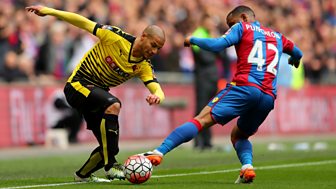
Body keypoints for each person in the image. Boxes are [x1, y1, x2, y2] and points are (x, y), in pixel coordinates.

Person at [141, 5, 303, 184]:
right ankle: (247, 167)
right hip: (267, 97)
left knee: (200, 120)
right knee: (239, 136)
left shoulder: (243, 27)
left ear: (243, 17)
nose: (229, 28)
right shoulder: (277, 36)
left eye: (231, 24)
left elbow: (218, 44)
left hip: (245, 87)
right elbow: (298, 52)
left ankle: (158, 152)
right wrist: (294, 58)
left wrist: (194, 40)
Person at [26, 5, 165, 182]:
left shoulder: (143, 66)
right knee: (113, 104)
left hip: (96, 97)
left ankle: (82, 175)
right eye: (153, 45)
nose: (154, 51)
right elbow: (83, 22)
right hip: (77, 85)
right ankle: (111, 167)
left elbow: (156, 87)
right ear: (143, 36)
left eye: (158, 49)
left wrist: (157, 96)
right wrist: (50, 11)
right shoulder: (115, 37)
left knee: (109, 148)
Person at [190, 14, 220, 151]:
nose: (212, 25)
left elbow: (222, 56)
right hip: (202, 78)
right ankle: (198, 141)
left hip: (213, 77)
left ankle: (207, 141)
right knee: (201, 109)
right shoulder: (198, 35)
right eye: (210, 22)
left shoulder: (210, 35)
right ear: (203, 22)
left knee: (210, 109)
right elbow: (205, 58)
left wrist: (217, 42)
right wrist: (214, 45)